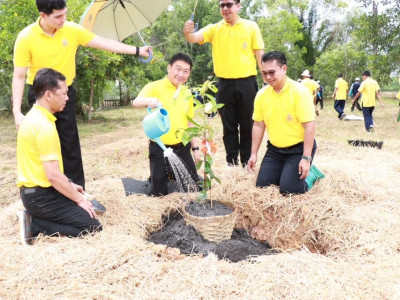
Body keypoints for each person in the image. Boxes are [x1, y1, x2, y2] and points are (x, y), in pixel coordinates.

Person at [13, 0, 152, 189]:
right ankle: (47, 192)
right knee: (43, 145)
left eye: (65, 14)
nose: (64, 19)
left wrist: (137, 50)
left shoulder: (72, 29)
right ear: (43, 15)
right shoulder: (26, 37)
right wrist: (16, 112)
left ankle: (78, 193)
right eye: (58, 16)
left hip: (65, 93)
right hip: (40, 96)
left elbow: (103, 42)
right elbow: (19, 76)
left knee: (70, 146)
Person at [17, 68, 102, 245]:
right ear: (48, 94)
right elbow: (53, 176)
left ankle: (38, 217)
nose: (67, 98)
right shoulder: (43, 127)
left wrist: (70, 185)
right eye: (63, 93)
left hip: (34, 192)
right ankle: (34, 223)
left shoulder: (33, 118)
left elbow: (44, 169)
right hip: (40, 197)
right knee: (92, 227)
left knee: (85, 209)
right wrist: (79, 200)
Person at [183, 0, 264, 167]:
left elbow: (259, 53)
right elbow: (194, 37)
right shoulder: (215, 28)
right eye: (222, 5)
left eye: (229, 4)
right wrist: (187, 32)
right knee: (229, 126)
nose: (225, 8)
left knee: (248, 125)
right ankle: (232, 163)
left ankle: (247, 163)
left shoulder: (251, 26)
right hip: (224, 84)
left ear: (238, 6)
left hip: (247, 83)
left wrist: (266, 77)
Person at [247, 51, 324, 194]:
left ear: (284, 69)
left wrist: (306, 159)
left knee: (289, 191)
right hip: (275, 150)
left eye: (272, 72)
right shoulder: (261, 95)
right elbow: (258, 125)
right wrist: (253, 154)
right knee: (263, 187)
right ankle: (285, 172)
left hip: (298, 149)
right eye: (264, 73)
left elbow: (309, 127)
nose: (268, 77)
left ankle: (312, 173)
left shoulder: (300, 92)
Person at [132, 53, 201, 196]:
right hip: (159, 148)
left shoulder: (186, 92)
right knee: (158, 193)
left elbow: (189, 123)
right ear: (169, 68)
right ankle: (158, 176)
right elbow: (136, 102)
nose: (181, 74)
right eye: (178, 69)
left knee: (194, 187)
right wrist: (149, 100)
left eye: (185, 71)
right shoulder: (154, 86)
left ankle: (171, 174)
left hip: (182, 147)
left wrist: (195, 148)